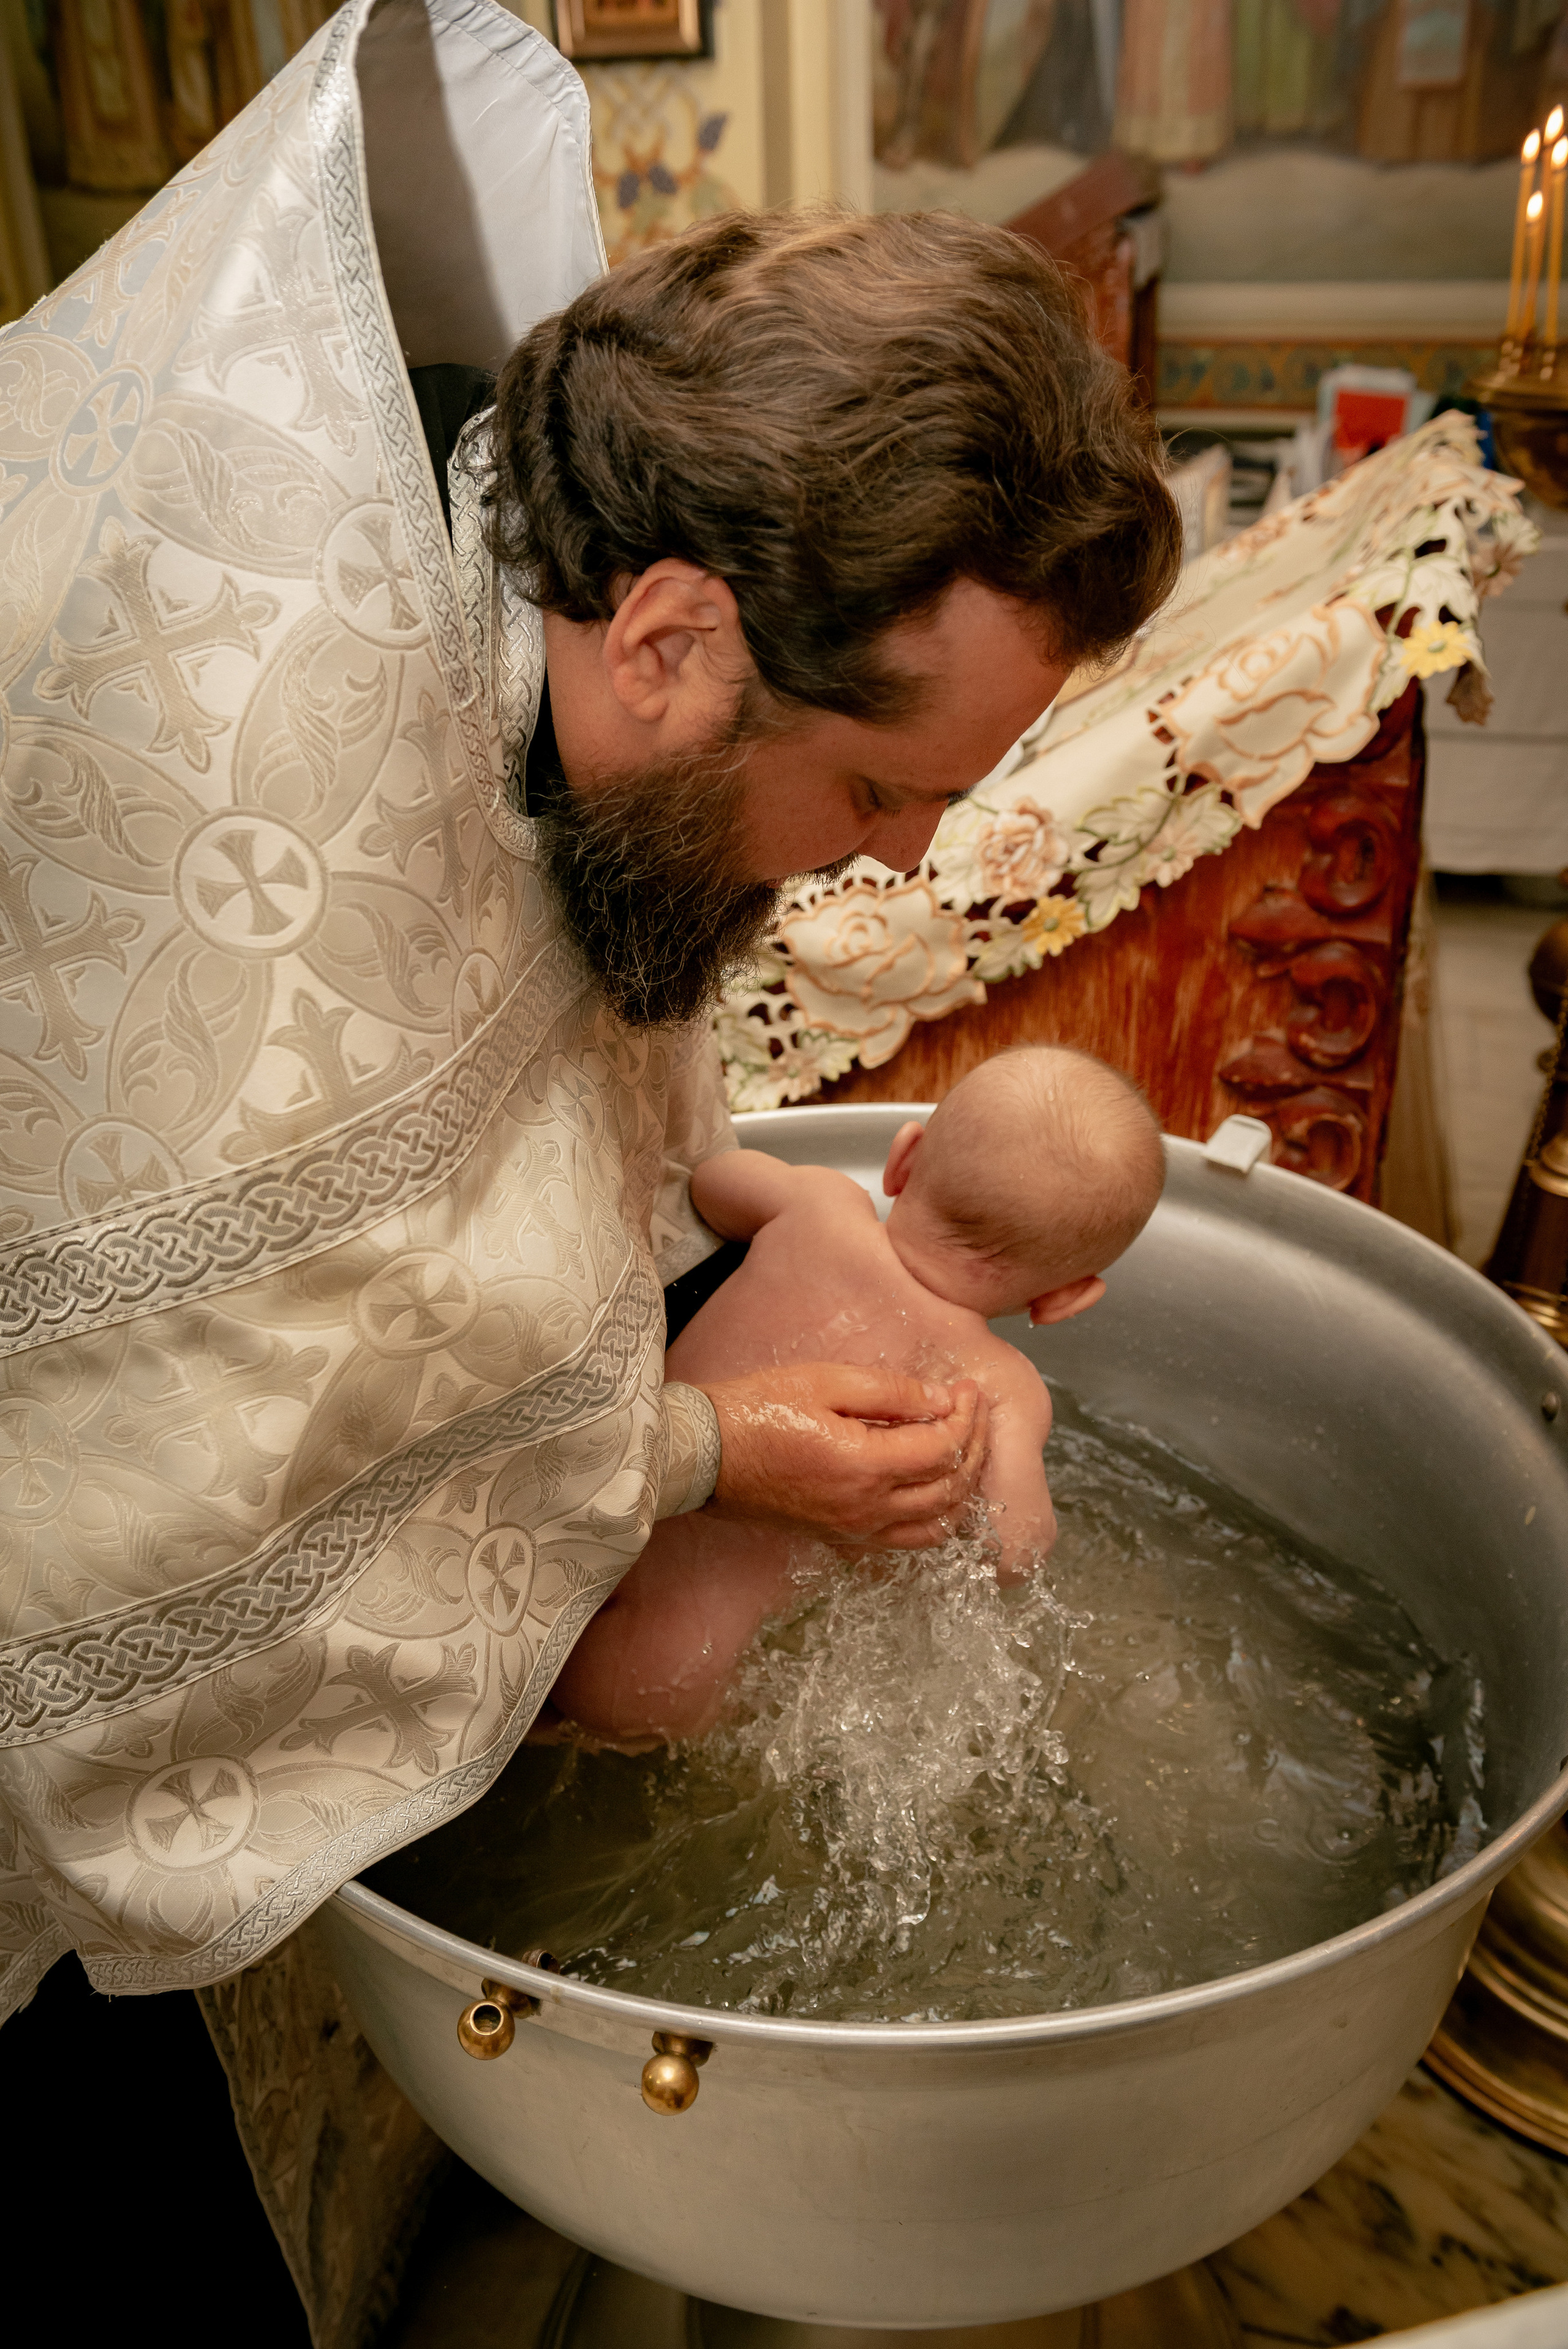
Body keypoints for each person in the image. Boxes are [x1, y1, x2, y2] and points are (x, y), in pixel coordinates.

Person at [0, 0, 1181, 2027]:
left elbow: (529, 1134)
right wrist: (713, 1447)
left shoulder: (540, 646)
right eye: (880, 793)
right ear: (671, 639)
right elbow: (163, 1472)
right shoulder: (253, 811)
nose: (888, 863)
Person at [551, 1048, 1166, 1746]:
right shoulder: (996, 1385)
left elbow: (711, 1180)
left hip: (570, 1514)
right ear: (1065, 1299)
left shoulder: (817, 1206)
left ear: (902, 1161)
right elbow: (1017, 1551)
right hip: (661, 1664)